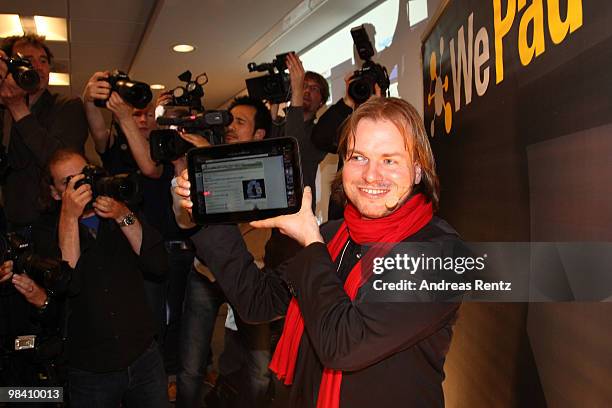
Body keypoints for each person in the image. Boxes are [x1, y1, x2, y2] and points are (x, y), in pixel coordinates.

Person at [175, 97, 463, 407]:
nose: (370, 175)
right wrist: (201, 218)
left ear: (418, 171)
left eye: (389, 160)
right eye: (358, 157)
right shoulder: (333, 235)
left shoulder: (442, 255)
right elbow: (257, 302)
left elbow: (343, 345)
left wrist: (311, 243)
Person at [38, 148, 168, 407]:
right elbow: (67, 282)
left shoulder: (116, 211)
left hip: (144, 356)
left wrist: (122, 215)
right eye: (69, 182)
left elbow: (157, 263)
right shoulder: (45, 231)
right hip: (91, 371)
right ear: (55, 193)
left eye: (84, 175)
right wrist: (69, 216)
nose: (81, 185)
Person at [174, 96, 273, 408]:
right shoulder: (202, 160)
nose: (230, 127)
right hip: (206, 273)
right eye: (228, 121)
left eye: (240, 122)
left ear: (258, 135)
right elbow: (185, 218)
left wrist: (210, 157)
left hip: (252, 278)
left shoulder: (270, 165)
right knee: (192, 366)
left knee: (260, 370)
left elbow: (244, 195)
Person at [0, 34, 88, 229]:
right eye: (27, 61)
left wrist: (17, 107)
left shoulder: (67, 106)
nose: (38, 67)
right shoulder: (3, 110)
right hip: (10, 223)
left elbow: (60, 162)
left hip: (55, 223)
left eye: (43, 61)